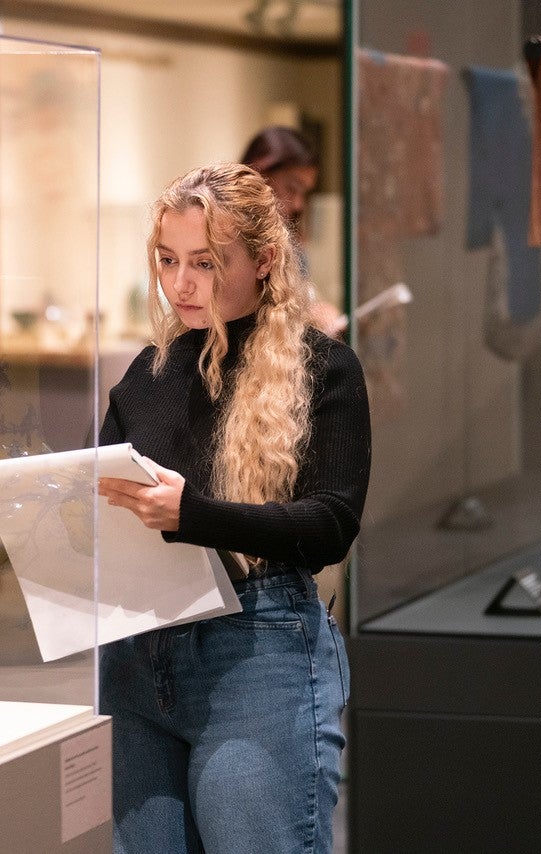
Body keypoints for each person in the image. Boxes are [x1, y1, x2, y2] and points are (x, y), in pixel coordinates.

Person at [97, 163, 371, 853]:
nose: (180, 284)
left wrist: (195, 516)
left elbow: (331, 523)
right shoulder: (146, 375)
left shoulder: (324, 368)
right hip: (137, 658)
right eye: (167, 261)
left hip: (261, 657)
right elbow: (104, 506)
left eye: (206, 263)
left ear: (264, 260)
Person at [240, 125, 345, 336]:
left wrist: (316, 312)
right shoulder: (231, 236)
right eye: (291, 188)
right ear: (260, 174)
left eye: (303, 193)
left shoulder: (292, 239)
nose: (298, 204)